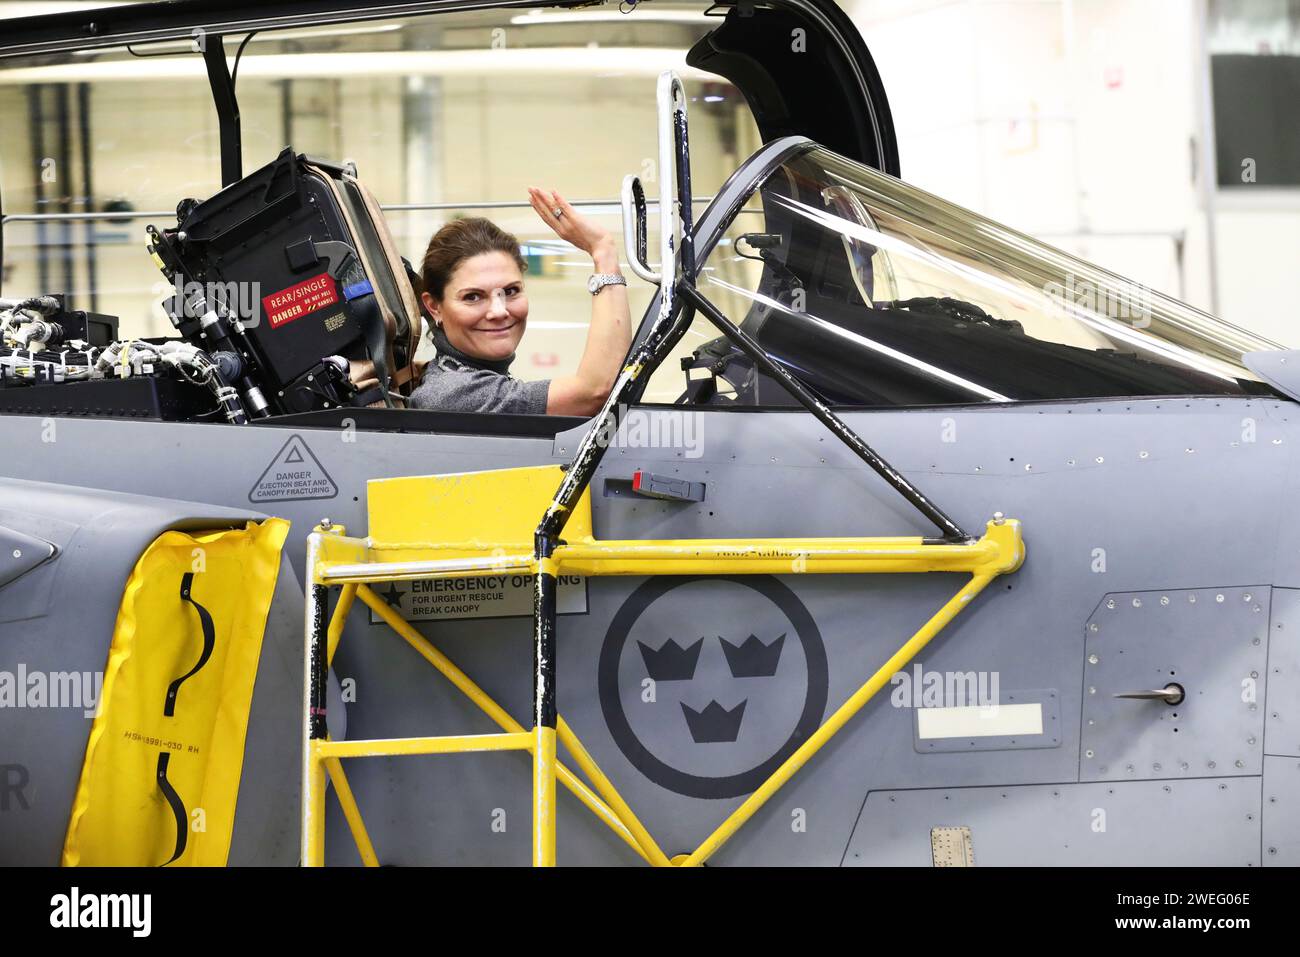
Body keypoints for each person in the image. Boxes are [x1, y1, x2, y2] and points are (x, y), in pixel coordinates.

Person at [408, 186, 631, 416]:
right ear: (434, 307)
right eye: (473, 297)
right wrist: (602, 250)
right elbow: (594, 393)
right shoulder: (453, 394)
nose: (499, 311)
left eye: (511, 291)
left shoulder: (464, 377)